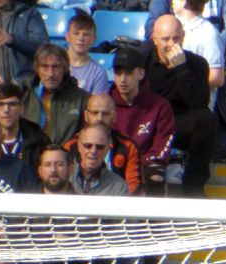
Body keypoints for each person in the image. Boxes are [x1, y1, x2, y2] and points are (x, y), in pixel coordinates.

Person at [144, 15, 215, 196]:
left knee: (206, 119)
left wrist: (181, 69)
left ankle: (194, 186)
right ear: (154, 39)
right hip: (149, 123)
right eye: (165, 39)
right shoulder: (142, 61)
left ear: (183, 37)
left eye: (176, 38)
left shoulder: (197, 64)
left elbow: (199, 103)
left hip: (179, 123)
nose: (171, 44)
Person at [110, 47, 173, 193]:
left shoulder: (160, 106)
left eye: (128, 73)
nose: (122, 79)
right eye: (118, 73)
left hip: (143, 165)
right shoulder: (105, 104)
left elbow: (161, 148)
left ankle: (152, 217)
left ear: (141, 74)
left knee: (155, 173)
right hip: (111, 163)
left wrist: (134, 165)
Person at [19, 43, 87, 146]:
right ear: (37, 69)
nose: (50, 74)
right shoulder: (23, 95)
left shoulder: (81, 98)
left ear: (65, 68)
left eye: (56, 67)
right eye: (45, 67)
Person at [69, 123, 129, 196]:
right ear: (78, 146)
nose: (93, 151)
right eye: (88, 146)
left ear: (108, 148)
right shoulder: (63, 178)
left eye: (100, 147)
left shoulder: (119, 187)